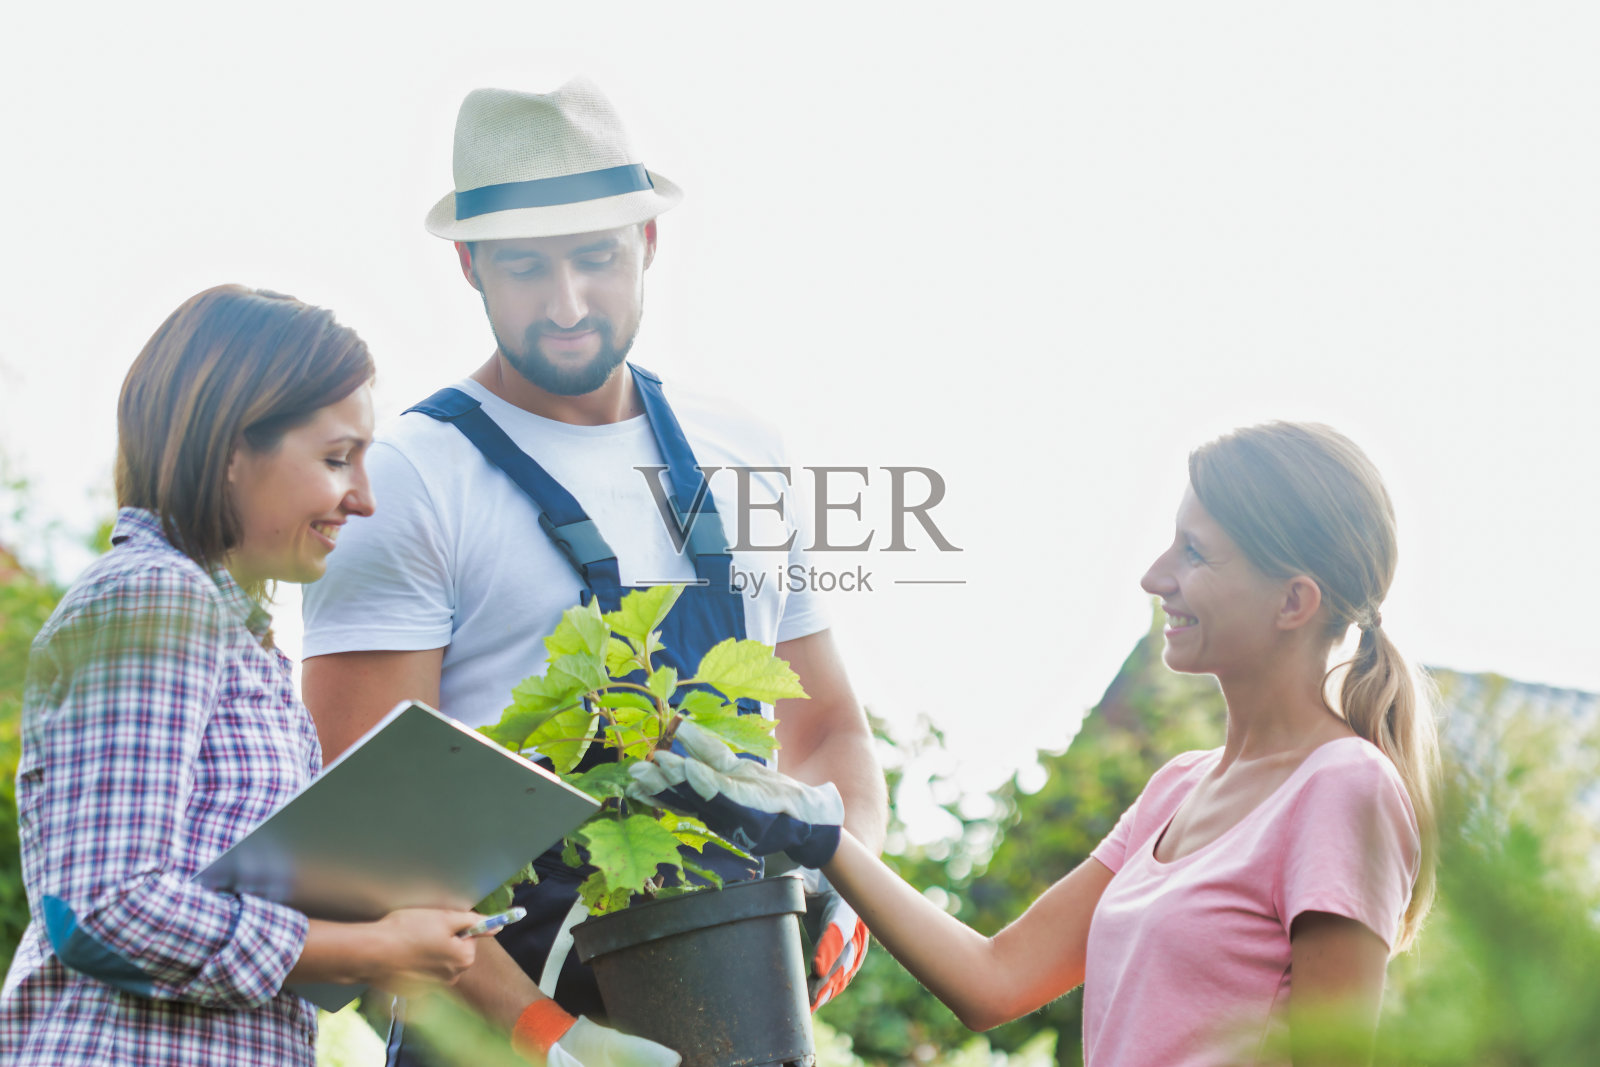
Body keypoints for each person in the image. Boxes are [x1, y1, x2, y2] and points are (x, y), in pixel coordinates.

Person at [300, 80, 888, 1066]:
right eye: (526, 267)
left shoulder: (741, 451)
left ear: (648, 241)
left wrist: (849, 887)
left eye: (596, 258)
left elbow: (826, 728)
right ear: (468, 263)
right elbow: (373, 846)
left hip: (739, 1010)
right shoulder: (404, 479)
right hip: (495, 1035)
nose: (567, 304)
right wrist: (557, 1038)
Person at [633, 421, 1439, 1066]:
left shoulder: (1344, 788)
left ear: (1295, 600)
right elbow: (996, 978)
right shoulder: (1179, 790)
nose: (1156, 575)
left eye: (1195, 552)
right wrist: (821, 835)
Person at [0, 285, 488, 1067]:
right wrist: (364, 945)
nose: (362, 497)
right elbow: (104, 908)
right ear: (230, 449)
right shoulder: (156, 594)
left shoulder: (236, 637)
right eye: (336, 458)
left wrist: (382, 937)